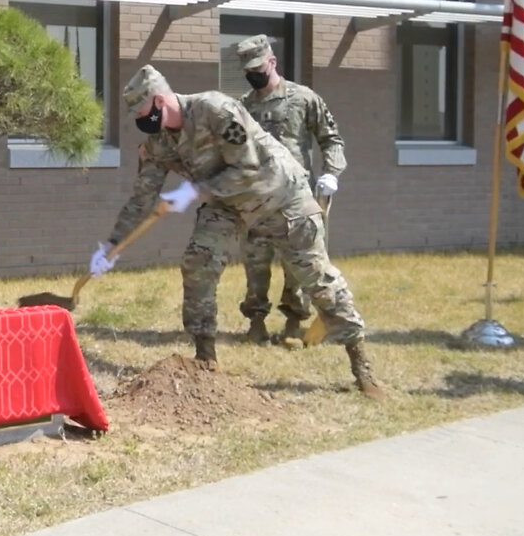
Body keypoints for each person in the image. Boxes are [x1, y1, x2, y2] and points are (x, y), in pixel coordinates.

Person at [88, 64, 384, 399]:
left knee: (317, 278)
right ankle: (205, 360)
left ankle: (362, 369)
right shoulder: (158, 143)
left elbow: (248, 168)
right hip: (226, 204)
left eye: (140, 111)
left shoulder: (216, 109)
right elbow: (141, 198)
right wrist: (111, 246)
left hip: (280, 197)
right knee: (198, 259)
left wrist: (191, 191)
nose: (140, 120)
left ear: (159, 101)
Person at [235, 34, 347, 344]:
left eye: (258, 67)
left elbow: (331, 139)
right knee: (255, 261)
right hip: (257, 199)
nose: (253, 74)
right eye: (247, 71)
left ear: (272, 61)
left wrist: (331, 173)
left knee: (298, 264)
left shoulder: (303, 98)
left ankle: (295, 321)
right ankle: (256, 321)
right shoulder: (242, 107)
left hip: (295, 199)